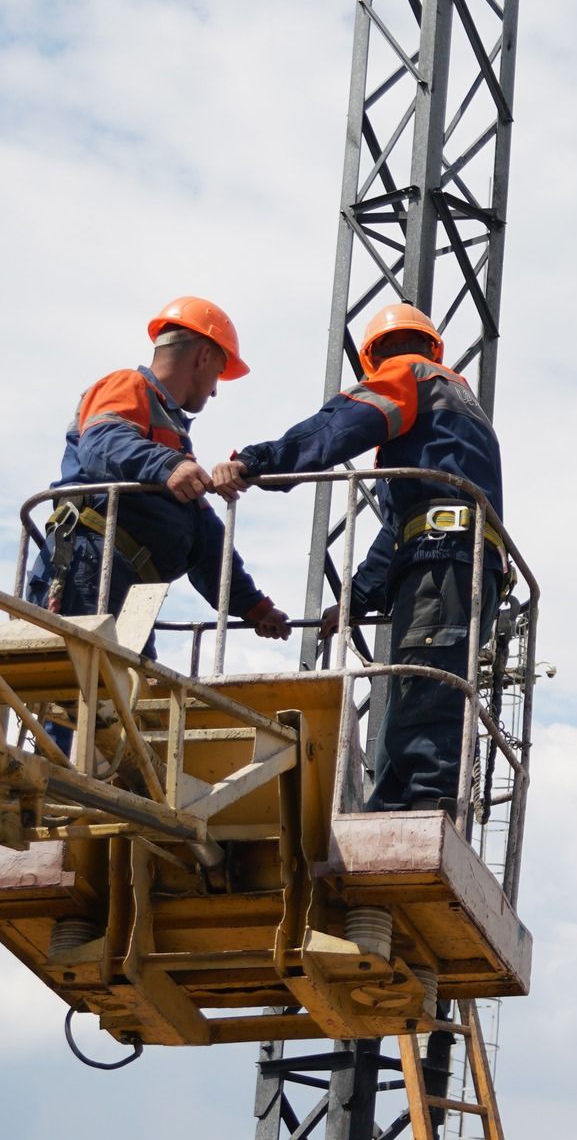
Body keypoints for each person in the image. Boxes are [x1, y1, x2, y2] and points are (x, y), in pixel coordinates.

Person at [212, 302, 505, 814]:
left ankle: (424, 803)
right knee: (421, 680)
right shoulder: (453, 412)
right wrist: (356, 600)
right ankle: (394, 802)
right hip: (456, 558)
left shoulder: (410, 375)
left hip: (443, 560)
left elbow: (337, 427)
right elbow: (402, 528)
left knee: (426, 677)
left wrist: (258, 462)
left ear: (374, 356)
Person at [28, 296, 290, 647]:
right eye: (218, 374)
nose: (215, 391)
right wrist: (169, 466)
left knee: (127, 679)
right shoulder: (128, 386)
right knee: (91, 675)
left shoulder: (171, 438)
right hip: (89, 565)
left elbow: (204, 535)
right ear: (204, 356)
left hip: (128, 586)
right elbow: (101, 442)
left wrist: (253, 606)